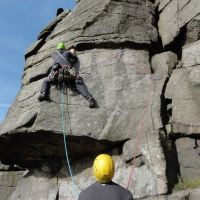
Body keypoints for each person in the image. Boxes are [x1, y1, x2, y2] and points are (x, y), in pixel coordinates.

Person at [38, 42, 97, 108]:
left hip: (57, 76)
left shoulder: (54, 54)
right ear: (64, 48)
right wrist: (72, 52)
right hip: (68, 74)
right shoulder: (67, 52)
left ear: (58, 49)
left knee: (46, 81)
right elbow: (75, 59)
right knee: (78, 83)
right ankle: (89, 98)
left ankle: (43, 94)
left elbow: (52, 55)